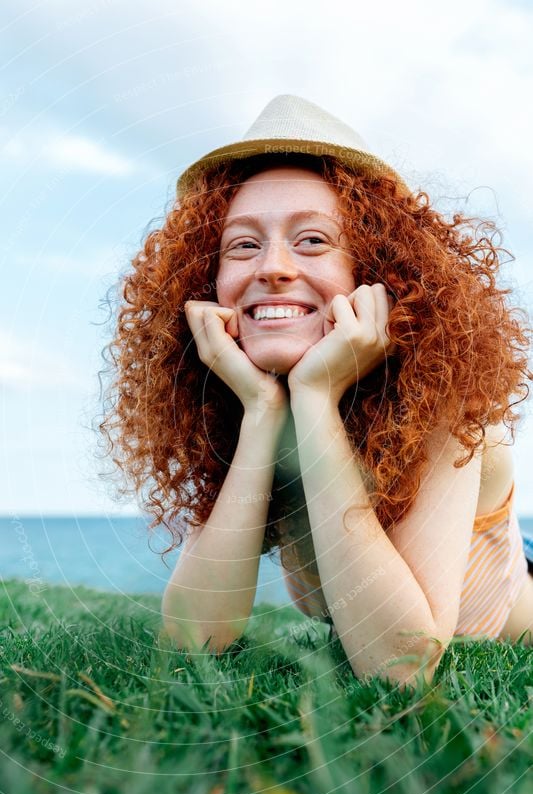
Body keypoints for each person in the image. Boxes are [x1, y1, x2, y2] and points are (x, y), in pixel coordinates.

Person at [99, 95, 533, 689]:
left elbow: (401, 666)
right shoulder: (232, 402)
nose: (272, 267)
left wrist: (314, 400)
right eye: (243, 245)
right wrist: (263, 410)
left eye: (312, 241)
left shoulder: (444, 400)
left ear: (376, 273)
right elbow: (190, 642)